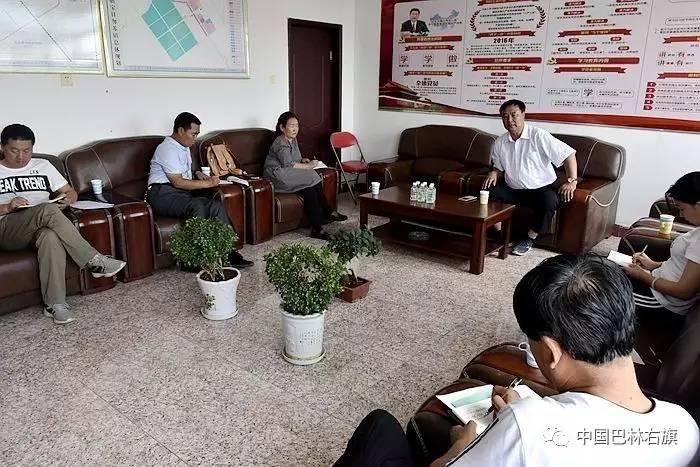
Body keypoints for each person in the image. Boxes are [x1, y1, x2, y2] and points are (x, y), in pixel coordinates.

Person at [334, 254, 700, 467]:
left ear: (551, 353)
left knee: (380, 427)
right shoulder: (684, 427)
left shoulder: (530, 428)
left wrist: (462, 444)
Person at [0, 124, 126, 324]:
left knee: (49, 236)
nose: (21, 156)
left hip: (39, 225)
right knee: (48, 210)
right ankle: (94, 261)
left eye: (27, 150)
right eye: (14, 151)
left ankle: (55, 304)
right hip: (7, 229)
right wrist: (8, 206)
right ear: (2, 147)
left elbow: (70, 191)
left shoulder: (43, 165)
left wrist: (68, 199)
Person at [146, 112, 252, 268]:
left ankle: (229, 252)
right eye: (193, 134)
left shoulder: (184, 147)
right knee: (197, 205)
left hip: (178, 194)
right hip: (161, 194)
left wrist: (197, 173)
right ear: (180, 131)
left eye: (197, 134)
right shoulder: (167, 149)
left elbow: (183, 173)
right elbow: (178, 182)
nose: (195, 138)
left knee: (216, 205)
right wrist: (209, 183)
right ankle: (192, 260)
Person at [483, 99, 578, 256]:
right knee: (487, 193)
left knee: (549, 202)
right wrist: (494, 172)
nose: (510, 120)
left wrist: (572, 181)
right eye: (505, 116)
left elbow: (569, 154)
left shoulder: (538, 135)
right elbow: (498, 167)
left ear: (523, 114)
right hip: (513, 189)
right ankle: (502, 235)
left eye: (514, 115)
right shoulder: (500, 142)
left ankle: (528, 239)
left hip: (541, 189)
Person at [624, 172, 700, 319]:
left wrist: (643, 276)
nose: (681, 215)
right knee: (601, 271)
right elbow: (682, 265)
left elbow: (684, 291)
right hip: (656, 284)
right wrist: (653, 265)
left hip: (661, 301)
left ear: (698, 205)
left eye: (682, 209)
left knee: (598, 290)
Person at [264, 111, 346, 240]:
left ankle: (317, 227)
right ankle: (328, 211)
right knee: (312, 175)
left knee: (310, 189)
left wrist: (303, 160)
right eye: (291, 126)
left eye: (297, 125)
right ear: (282, 127)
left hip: (288, 172)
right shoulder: (280, 142)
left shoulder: (293, 139)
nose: (295, 129)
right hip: (277, 175)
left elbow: (296, 159)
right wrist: (309, 166)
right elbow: (288, 163)